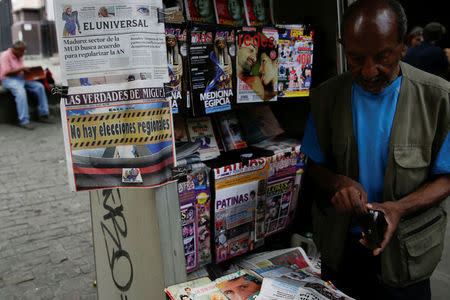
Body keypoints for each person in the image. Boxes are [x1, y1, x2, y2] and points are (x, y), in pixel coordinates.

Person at [301, 1, 449, 299]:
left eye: (383, 56)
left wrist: (398, 208)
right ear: (343, 47)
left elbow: (447, 178)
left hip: (408, 251)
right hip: (342, 250)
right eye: (355, 58)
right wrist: (338, 183)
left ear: (404, 46)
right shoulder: (326, 99)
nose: (369, 71)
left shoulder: (438, 99)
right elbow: (313, 165)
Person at [0, 41, 55, 129]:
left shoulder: (19, 55)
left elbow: (20, 70)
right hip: (8, 79)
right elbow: (6, 73)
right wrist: (21, 69)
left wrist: (31, 72)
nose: (23, 53)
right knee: (21, 92)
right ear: (15, 50)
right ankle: (24, 121)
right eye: (22, 51)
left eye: (24, 51)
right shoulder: (5, 56)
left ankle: (43, 114)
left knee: (39, 87)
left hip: (21, 77)